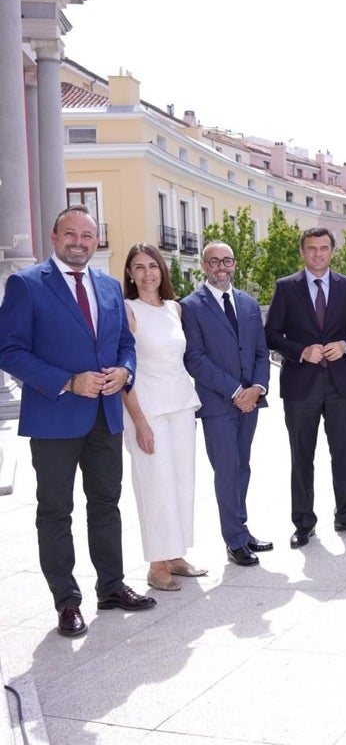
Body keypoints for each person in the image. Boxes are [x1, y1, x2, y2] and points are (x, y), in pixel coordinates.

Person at [0, 205, 154, 637]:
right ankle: (67, 602)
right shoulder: (27, 285)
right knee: (56, 512)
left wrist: (126, 371)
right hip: (54, 419)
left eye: (88, 235)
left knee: (106, 505)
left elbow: (125, 343)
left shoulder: (107, 286)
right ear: (54, 237)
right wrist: (68, 381)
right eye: (72, 234)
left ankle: (111, 586)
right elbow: (9, 351)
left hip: (106, 415)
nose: (80, 242)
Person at [265, 227, 346, 549]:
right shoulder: (286, 288)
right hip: (301, 384)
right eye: (311, 248)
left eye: (324, 248)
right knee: (302, 455)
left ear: (332, 251)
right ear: (303, 252)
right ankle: (303, 523)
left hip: (340, 382)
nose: (318, 254)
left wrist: (345, 345)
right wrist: (300, 351)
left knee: (343, 452)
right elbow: (271, 334)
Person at [181, 241, 273, 568]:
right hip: (219, 403)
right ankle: (233, 541)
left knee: (242, 467)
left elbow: (262, 352)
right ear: (204, 266)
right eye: (214, 261)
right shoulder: (191, 306)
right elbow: (195, 359)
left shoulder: (248, 304)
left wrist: (257, 388)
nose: (222, 267)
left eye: (227, 261)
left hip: (251, 402)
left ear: (235, 264)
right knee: (227, 470)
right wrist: (236, 391)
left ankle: (242, 529)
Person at [120, 243, 205, 591]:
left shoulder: (174, 308)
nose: (147, 273)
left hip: (182, 405)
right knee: (155, 486)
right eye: (138, 267)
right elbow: (123, 367)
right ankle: (156, 564)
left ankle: (175, 554)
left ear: (162, 270)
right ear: (129, 274)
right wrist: (138, 420)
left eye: (152, 266)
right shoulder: (127, 309)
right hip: (148, 411)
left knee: (183, 483)